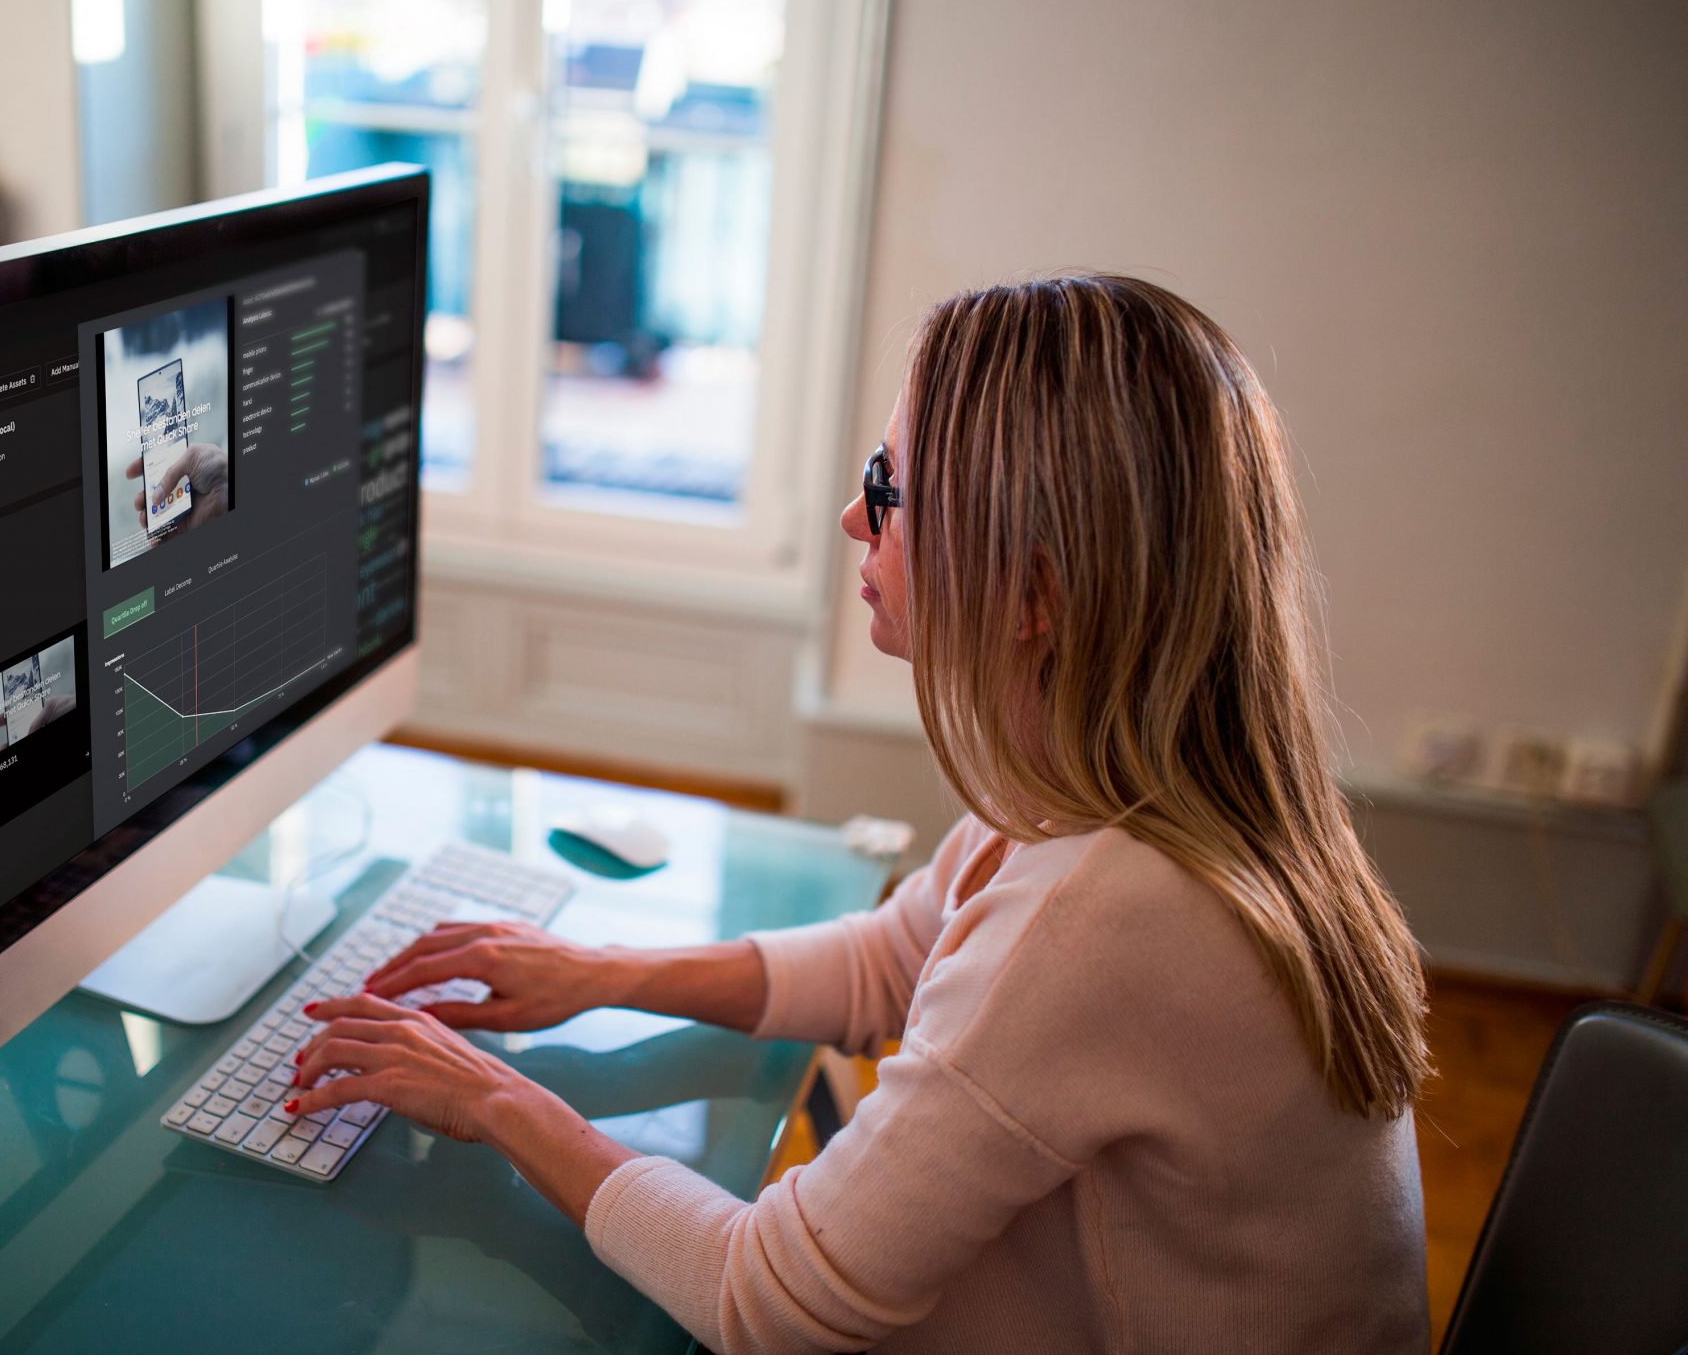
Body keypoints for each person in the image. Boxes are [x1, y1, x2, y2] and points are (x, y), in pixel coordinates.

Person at [285, 276, 1432, 1353]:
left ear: (1033, 595)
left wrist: (490, 1095)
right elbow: (891, 958)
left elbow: (764, 1297)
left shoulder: (1108, 915)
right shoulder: (1139, 788)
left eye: (887, 488)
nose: (851, 516)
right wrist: (602, 973)